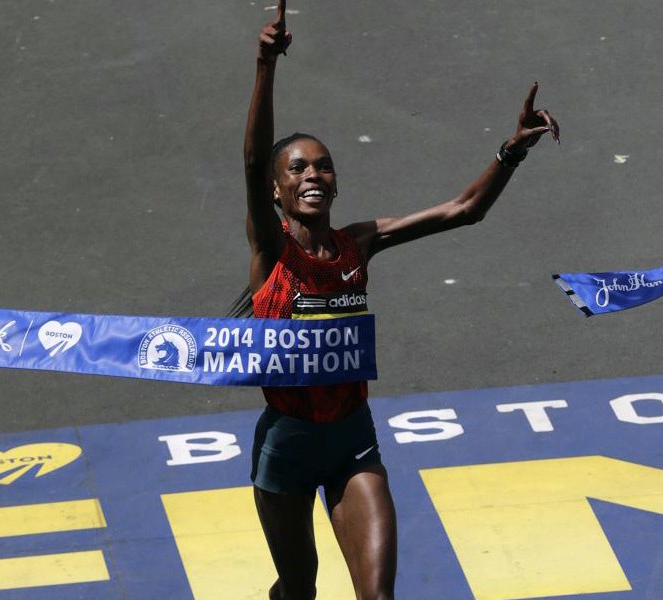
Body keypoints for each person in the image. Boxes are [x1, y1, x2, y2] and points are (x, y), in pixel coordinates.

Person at [240, 2, 559, 599]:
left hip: (351, 440)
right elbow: (254, 157)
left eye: (324, 166)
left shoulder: (360, 241)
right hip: (286, 442)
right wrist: (265, 62)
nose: (313, 174)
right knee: (299, 587)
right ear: (278, 190)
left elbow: (465, 210)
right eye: (298, 168)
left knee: (378, 596)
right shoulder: (271, 248)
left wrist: (511, 150)